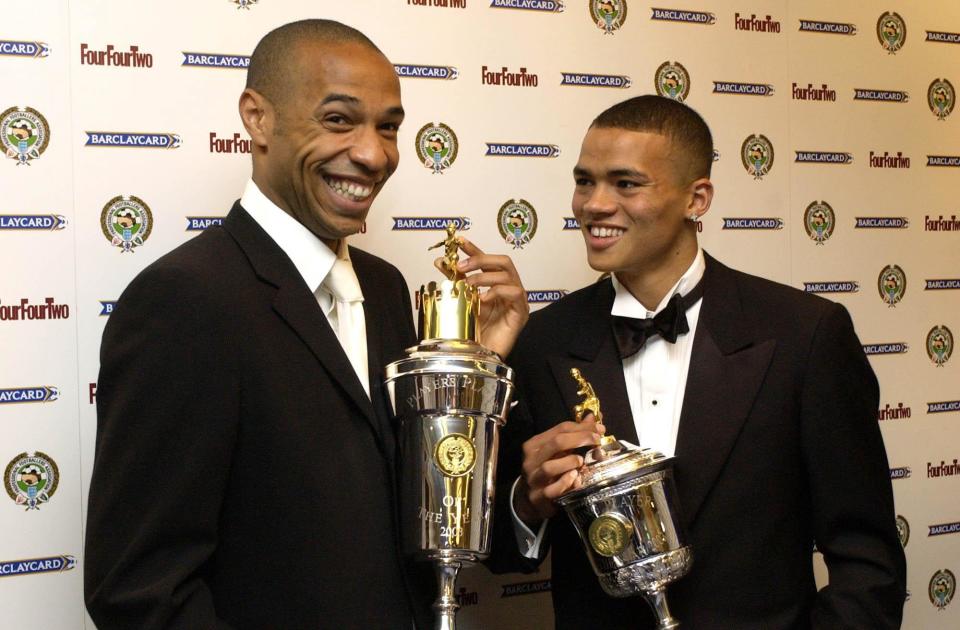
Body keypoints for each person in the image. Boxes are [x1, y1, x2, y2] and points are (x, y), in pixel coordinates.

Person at [84, 20, 527, 630]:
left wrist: (475, 379)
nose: (374, 154)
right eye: (339, 120)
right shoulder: (183, 301)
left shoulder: (388, 289)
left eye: (389, 127)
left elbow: (423, 513)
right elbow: (140, 590)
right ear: (257, 118)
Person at [489, 95, 906, 629]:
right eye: (584, 181)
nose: (594, 203)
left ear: (697, 198)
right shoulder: (544, 340)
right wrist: (528, 502)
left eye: (626, 183)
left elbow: (867, 557)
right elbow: (503, 553)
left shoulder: (805, 334)